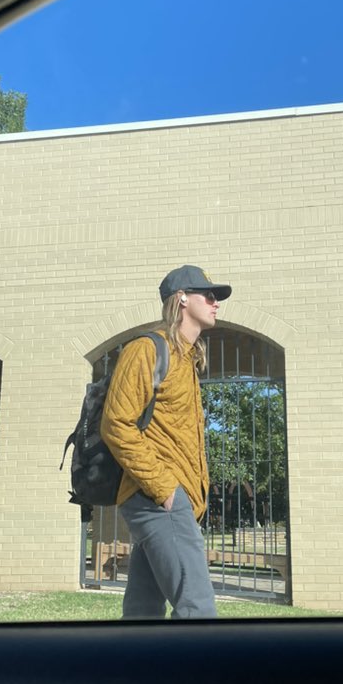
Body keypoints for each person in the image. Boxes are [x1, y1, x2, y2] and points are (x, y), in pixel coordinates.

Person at [101, 265, 231, 619]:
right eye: (208, 294)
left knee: (143, 611)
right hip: (156, 498)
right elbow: (116, 424)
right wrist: (165, 488)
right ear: (182, 298)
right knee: (198, 609)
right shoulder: (147, 349)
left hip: (168, 499)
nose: (215, 302)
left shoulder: (186, 358)